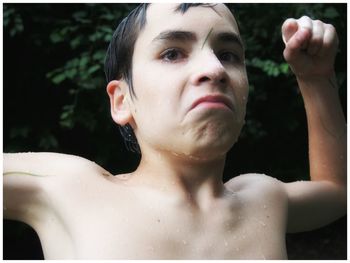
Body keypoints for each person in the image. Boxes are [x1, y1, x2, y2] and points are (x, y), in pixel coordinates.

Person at [3, 3, 346, 260]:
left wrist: (315, 78)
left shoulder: (263, 199)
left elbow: (338, 191)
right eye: (172, 53)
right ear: (121, 101)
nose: (214, 69)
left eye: (228, 55)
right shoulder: (68, 187)